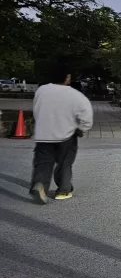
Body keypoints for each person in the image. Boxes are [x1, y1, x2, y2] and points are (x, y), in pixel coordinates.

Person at [30, 63, 94, 204]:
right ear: (67, 77)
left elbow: (36, 110)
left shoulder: (41, 90)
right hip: (66, 135)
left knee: (43, 163)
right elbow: (87, 117)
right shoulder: (75, 95)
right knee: (65, 163)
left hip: (44, 134)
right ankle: (63, 190)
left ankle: (40, 185)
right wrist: (81, 129)